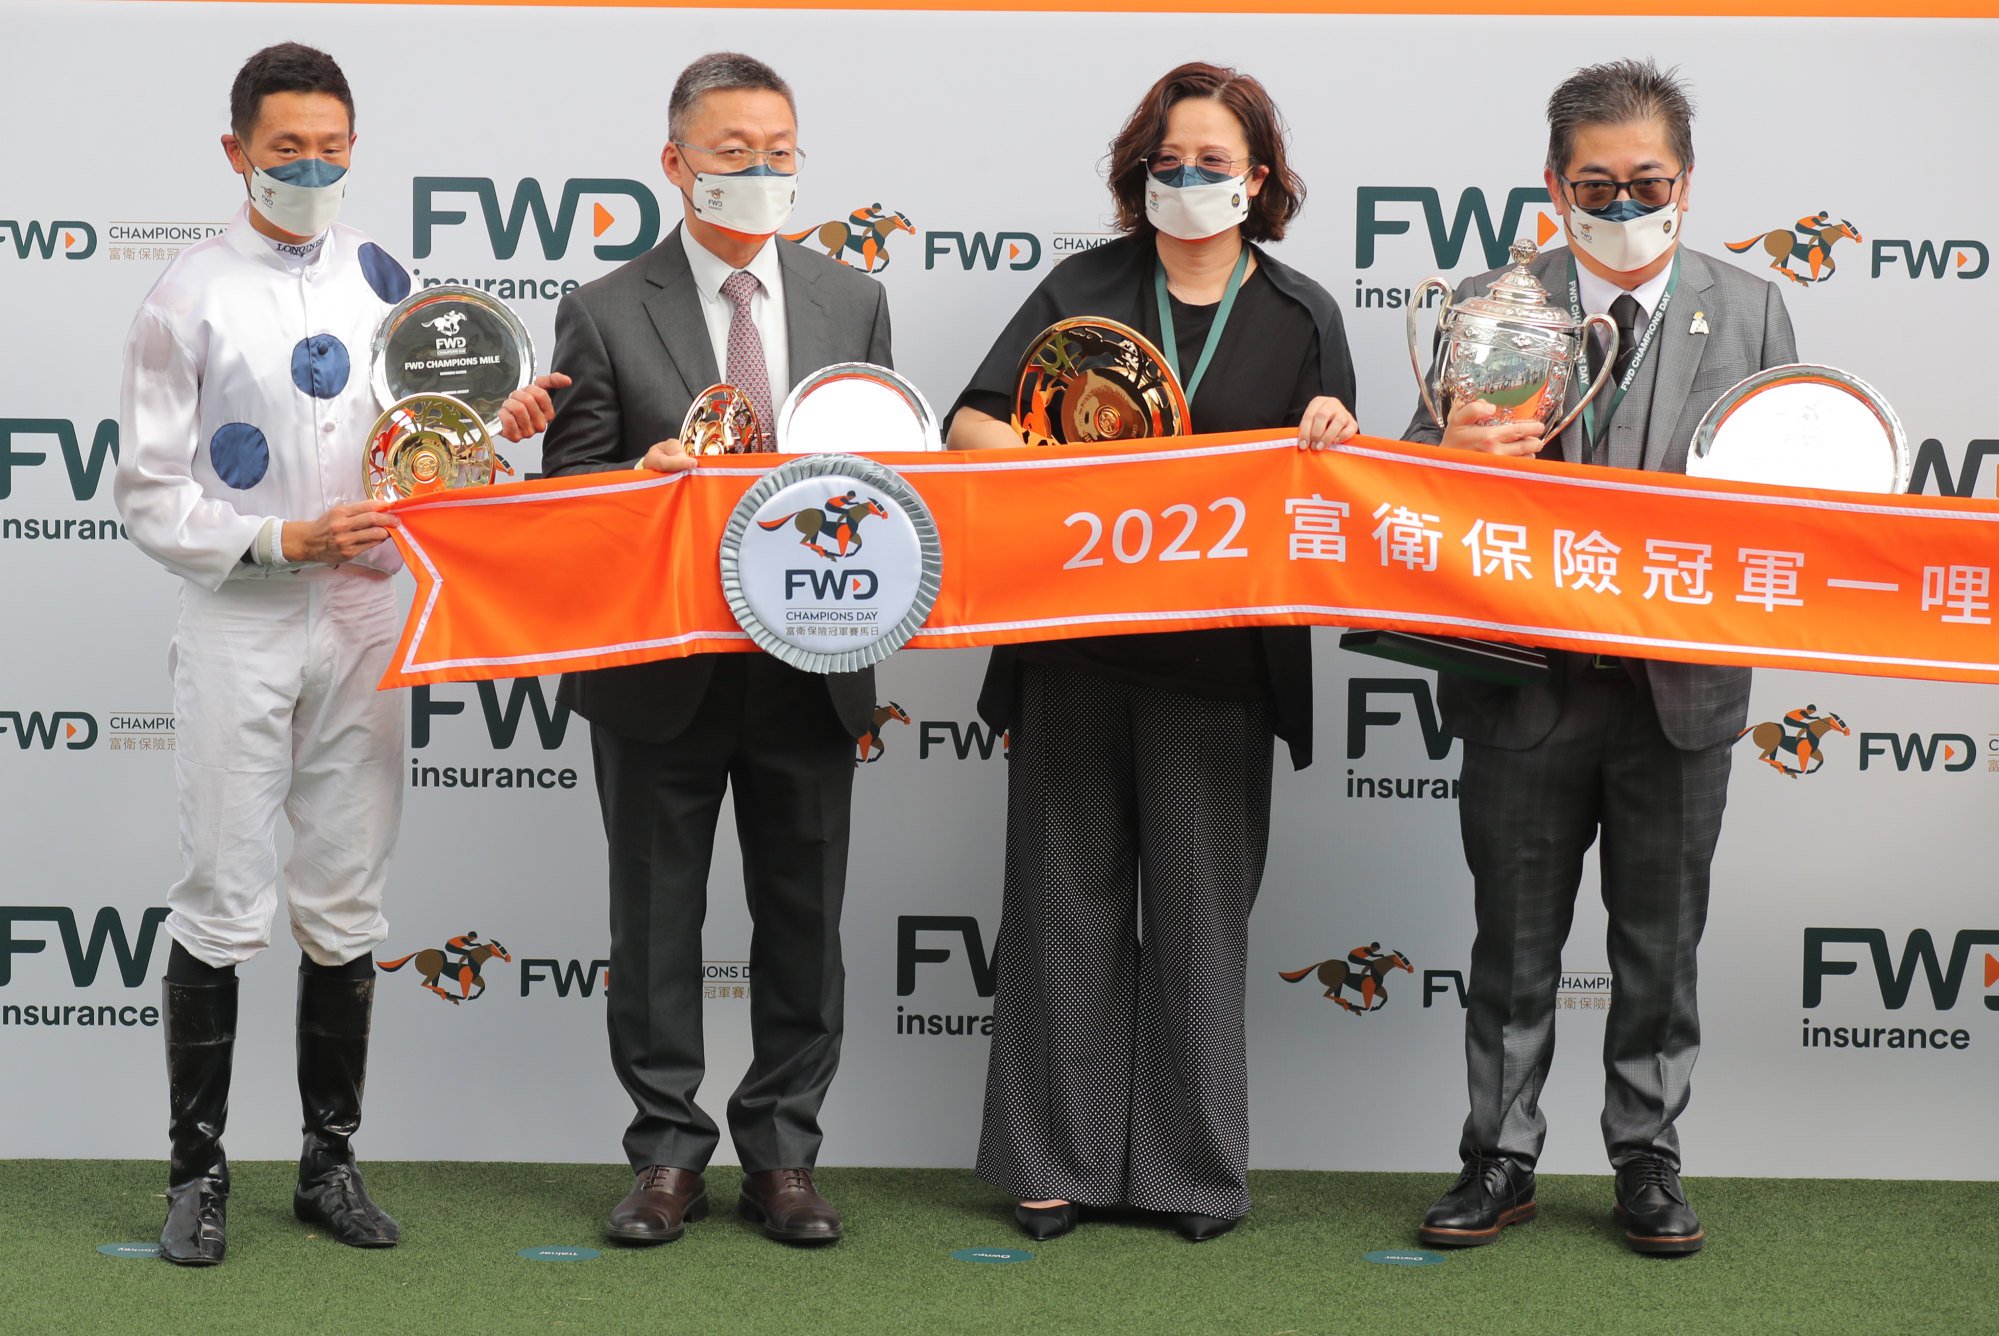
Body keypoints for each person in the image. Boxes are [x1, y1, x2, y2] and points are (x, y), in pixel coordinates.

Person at [112, 42, 561, 1267]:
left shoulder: (392, 283)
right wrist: (276, 536)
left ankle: (328, 1165)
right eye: (284, 147)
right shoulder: (184, 295)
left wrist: (501, 423)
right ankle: (196, 1176)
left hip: (368, 616)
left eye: (330, 144)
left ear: (354, 142)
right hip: (241, 618)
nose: (311, 165)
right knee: (221, 893)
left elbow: (438, 454)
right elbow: (146, 493)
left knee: (348, 895)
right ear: (235, 152)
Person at [947, 61, 1357, 1243]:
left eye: (1212, 164)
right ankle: (1051, 1162)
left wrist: (1329, 430)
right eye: (1168, 162)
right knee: (1058, 915)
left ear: (1258, 180)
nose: (1187, 180)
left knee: (1196, 928)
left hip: (1218, 675)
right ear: (1139, 172)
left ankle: (1189, 1173)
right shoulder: (1082, 289)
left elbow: (1332, 487)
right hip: (1072, 655)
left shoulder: (1299, 314)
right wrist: (1045, 460)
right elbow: (970, 420)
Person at [1404, 58, 1796, 1256]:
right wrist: (1461, 452)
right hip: (1525, 684)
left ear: (1685, 180)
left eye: (1647, 182)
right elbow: (1417, 481)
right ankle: (1500, 1157)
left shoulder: (1749, 309)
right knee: (1511, 944)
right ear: (1551, 184)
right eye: (1597, 184)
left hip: (1679, 691)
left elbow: (1784, 490)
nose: (1623, 206)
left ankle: (1646, 1157)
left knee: (1659, 946)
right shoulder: (1493, 302)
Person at [538, 51, 892, 1248]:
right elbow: (566, 497)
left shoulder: (850, 300)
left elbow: (881, 486)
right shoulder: (600, 306)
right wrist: (634, 483)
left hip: (813, 659)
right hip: (658, 673)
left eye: (779, 148)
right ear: (675, 162)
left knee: (806, 920)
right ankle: (665, 1157)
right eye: (732, 150)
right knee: (653, 928)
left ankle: (785, 1155)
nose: (759, 169)